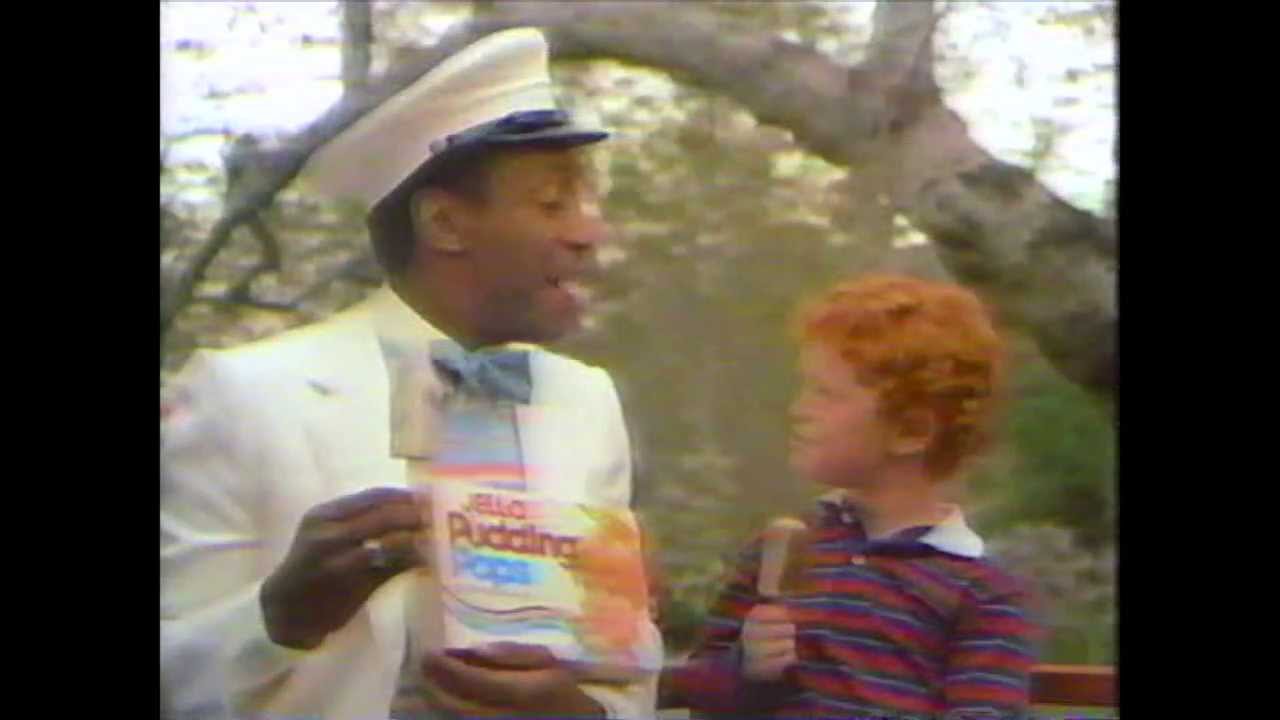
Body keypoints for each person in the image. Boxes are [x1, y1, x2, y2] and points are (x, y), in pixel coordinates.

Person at [161, 27, 661, 720]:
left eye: (586, 204)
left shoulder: (587, 401)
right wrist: (279, 618)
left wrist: (586, 713)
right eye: (552, 204)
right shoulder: (242, 395)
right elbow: (173, 679)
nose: (589, 233)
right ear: (445, 223)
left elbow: (628, 670)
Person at [667, 274, 1042, 718]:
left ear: (911, 431)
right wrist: (746, 668)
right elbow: (699, 696)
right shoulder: (782, 551)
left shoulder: (982, 593)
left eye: (825, 394)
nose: (799, 410)